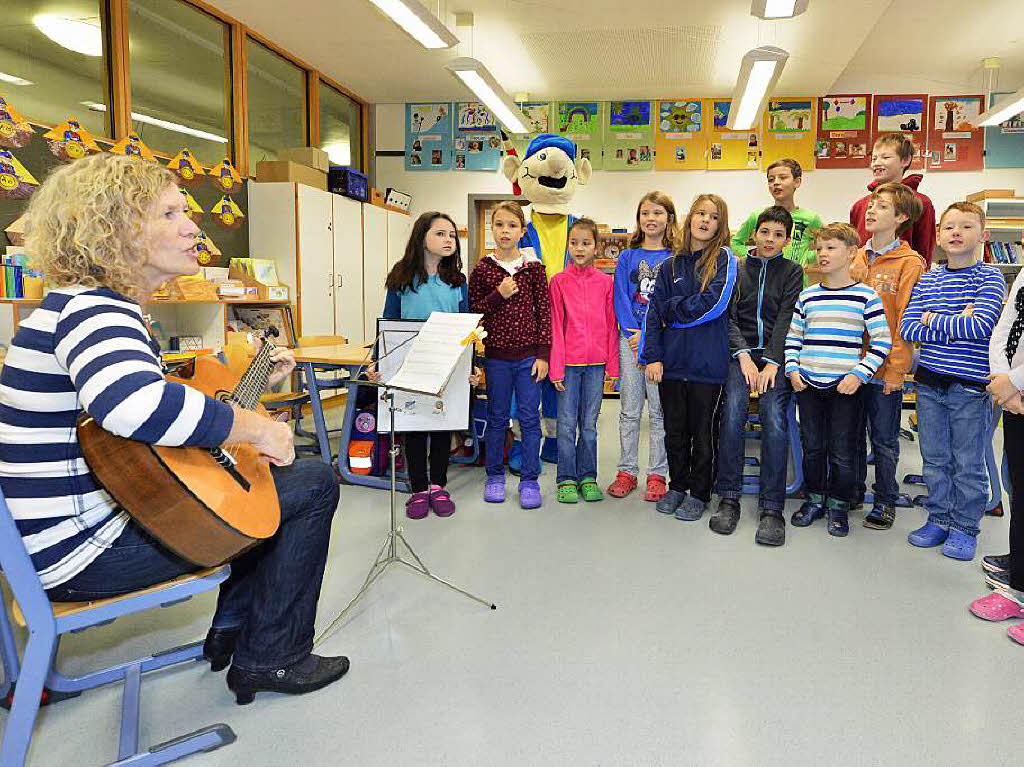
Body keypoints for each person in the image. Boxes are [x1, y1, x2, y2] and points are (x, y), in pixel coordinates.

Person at [0, 153, 348, 705]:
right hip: (84, 553)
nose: (192, 227)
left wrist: (246, 399)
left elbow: (140, 432)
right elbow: (131, 405)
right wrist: (256, 430)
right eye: (167, 214)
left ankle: (234, 635)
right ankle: (273, 657)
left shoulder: (74, 307)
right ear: (111, 230)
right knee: (311, 483)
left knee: (253, 491)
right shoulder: (98, 312)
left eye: (185, 211)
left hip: (61, 538)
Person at [899, 201, 1005, 561]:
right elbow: (908, 326)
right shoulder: (929, 277)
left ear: (983, 235)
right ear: (940, 238)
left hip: (970, 388)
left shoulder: (989, 277)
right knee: (934, 459)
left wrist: (933, 321)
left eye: (966, 226)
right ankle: (939, 518)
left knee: (968, 463)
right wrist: (947, 321)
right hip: (929, 384)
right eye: (949, 227)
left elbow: (980, 326)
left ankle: (964, 527)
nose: (956, 233)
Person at [785, 223, 892, 537]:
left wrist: (858, 375)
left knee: (843, 451)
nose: (822, 254)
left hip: (845, 387)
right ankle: (815, 499)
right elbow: (794, 338)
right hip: (807, 384)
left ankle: (839, 506)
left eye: (830, 248)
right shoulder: (807, 296)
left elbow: (882, 341)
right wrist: (793, 369)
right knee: (813, 447)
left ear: (850, 252)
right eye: (819, 249)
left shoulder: (865, 296)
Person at [640, 194, 737, 522]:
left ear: (720, 225)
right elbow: (654, 311)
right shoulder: (669, 264)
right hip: (671, 363)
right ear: (689, 217)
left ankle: (699, 491)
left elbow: (715, 303)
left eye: (713, 216)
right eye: (700, 213)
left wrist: (675, 312)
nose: (705, 220)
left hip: (707, 366)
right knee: (675, 431)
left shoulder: (724, 258)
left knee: (703, 433)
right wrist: (652, 355)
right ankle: (677, 485)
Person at [714, 206, 803, 546]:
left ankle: (771, 507)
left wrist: (771, 362)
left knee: (774, 418)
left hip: (775, 360)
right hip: (739, 356)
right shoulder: (736, 269)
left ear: (786, 239)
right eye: (765, 232)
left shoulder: (793, 272)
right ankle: (729, 496)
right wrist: (744, 358)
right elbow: (729, 317)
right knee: (733, 412)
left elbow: (786, 319)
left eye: (778, 235)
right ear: (754, 233)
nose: (770, 240)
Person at [379, 211, 470, 519]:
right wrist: (380, 363)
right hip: (411, 364)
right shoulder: (402, 278)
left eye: (452, 235)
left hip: (447, 363)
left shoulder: (457, 281)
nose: (449, 240)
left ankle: (438, 485)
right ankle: (418, 488)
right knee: (415, 424)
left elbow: (466, 325)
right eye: (441, 234)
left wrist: (473, 365)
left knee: (442, 424)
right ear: (422, 238)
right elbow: (389, 323)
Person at [850, 182, 925, 529]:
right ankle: (850, 490)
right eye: (871, 204)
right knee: (849, 433)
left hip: (883, 370)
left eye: (881, 206)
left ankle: (884, 499)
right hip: (849, 366)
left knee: (883, 439)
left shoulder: (910, 262)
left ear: (900, 217)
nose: (870, 210)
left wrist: (897, 370)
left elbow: (906, 319)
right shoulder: (856, 256)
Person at [468, 201, 551, 510]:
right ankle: (494, 477)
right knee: (498, 417)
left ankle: (529, 480)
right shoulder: (482, 269)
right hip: (497, 358)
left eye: (512, 225)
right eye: (499, 225)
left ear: (522, 231)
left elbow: (544, 313)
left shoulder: (534, 269)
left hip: (530, 358)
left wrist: (543, 355)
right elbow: (473, 312)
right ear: (492, 229)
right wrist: (498, 295)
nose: (505, 231)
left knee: (530, 418)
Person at [608, 191, 679, 502]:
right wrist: (633, 332)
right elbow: (620, 297)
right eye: (645, 213)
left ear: (670, 218)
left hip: (660, 344)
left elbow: (670, 303)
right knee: (629, 410)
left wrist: (649, 336)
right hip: (630, 341)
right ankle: (627, 470)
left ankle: (656, 474)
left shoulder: (675, 258)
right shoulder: (627, 257)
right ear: (638, 219)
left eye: (658, 213)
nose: (651, 218)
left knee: (660, 411)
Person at [549, 218, 619, 503]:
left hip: (596, 366)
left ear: (596, 247)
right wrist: (556, 367)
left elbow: (612, 325)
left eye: (586, 243)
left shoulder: (605, 283)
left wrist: (613, 367)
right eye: (574, 243)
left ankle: (588, 476)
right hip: (567, 365)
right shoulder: (559, 282)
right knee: (566, 424)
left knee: (589, 424)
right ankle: (566, 477)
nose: (579, 248)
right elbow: (555, 325)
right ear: (568, 246)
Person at [972, 264, 1024, 644]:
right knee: (1018, 490)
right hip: (1015, 396)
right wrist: (1004, 381)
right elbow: (1004, 329)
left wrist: (1014, 381)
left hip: (1016, 387)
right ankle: (1018, 588)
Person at [849, 134, 936, 264]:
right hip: (863, 276)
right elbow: (854, 246)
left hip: (904, 276)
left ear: (905, 160)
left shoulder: (921, 203)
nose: (877, 163)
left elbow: (924, 249)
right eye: (874, 158)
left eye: (885, 157)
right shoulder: (860, 205)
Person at [729, 158, 824, 277]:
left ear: (797, 181)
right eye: (771, 180)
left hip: (795, 284)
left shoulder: (810, 218)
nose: (776, 183)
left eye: (783, 178)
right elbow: (735, 242)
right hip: (764, 281)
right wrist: (752, 258)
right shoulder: (758, 216)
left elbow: (825, 246)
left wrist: (806, 257)